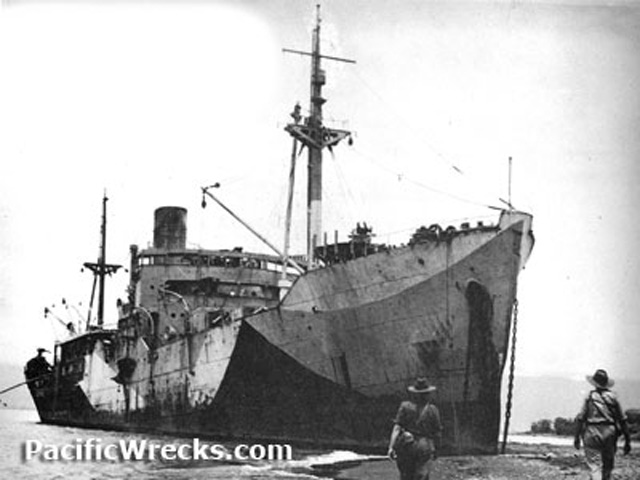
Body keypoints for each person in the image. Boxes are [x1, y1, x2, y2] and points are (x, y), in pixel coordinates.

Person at [574, 369, 631, 480]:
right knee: (608, 466)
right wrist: (628, 441)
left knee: (594, 467)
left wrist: (576, 437)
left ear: (594, 383)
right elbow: (622, 420)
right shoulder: (613, 398)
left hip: (591, 431)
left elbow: (581, 418)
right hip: (610, 432)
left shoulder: (589, 397)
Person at [388, 377, 442, 480]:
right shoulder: (433, 410)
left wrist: (391, 447)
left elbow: (397, 427)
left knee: (406, 476)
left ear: (414, 393)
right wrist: (437, 449)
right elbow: (437, 433)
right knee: (422, 476)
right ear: (428, 394)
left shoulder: (405, 406)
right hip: (425, 446)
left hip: (407, 445)